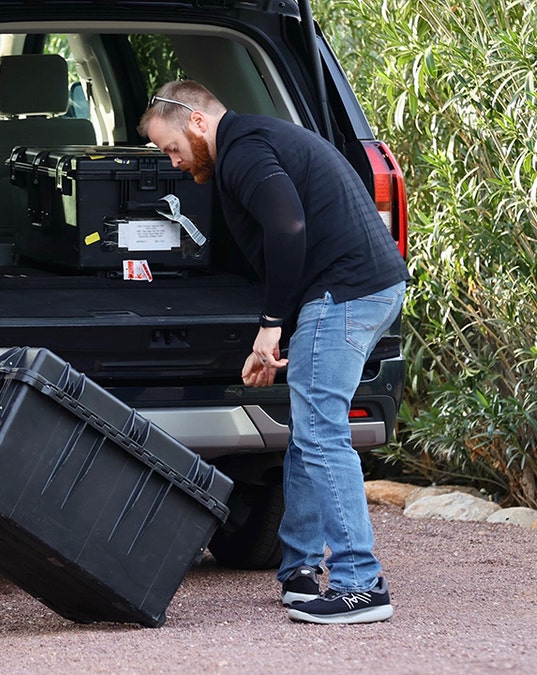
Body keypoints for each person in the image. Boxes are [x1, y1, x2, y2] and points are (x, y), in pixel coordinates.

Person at [138, 80, 411, 625]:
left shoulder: (242, 152)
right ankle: (300, 571)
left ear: (196, 121)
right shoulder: (253, 140)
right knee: (309, 427)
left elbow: (288, 227)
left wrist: (270, 326)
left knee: (320, 432)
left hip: (344, 293)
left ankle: (361, 584)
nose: (172, 162)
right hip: (362, 287)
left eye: (171, 147)